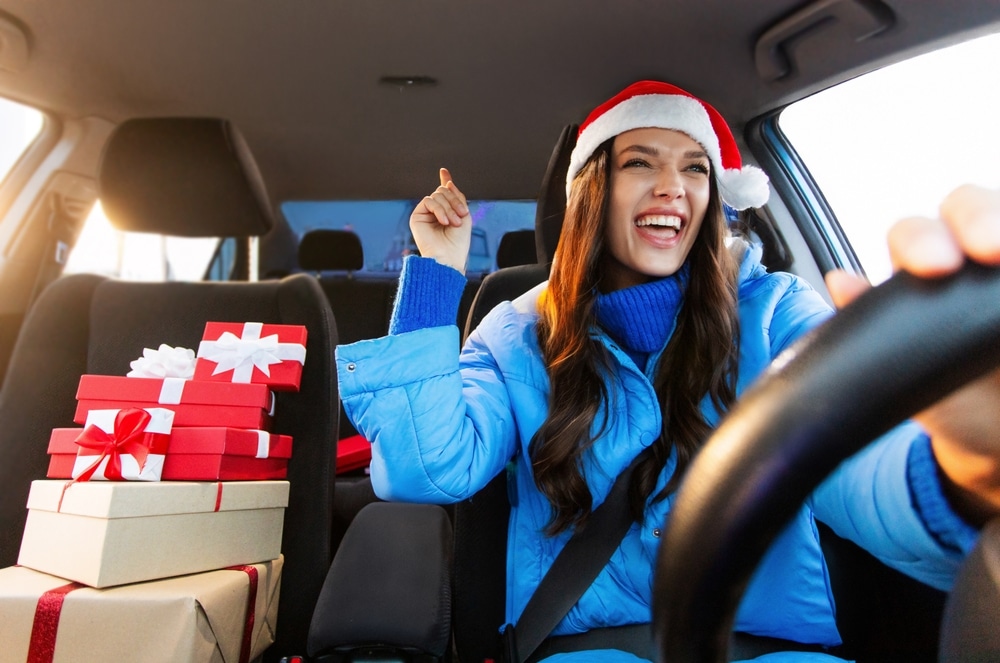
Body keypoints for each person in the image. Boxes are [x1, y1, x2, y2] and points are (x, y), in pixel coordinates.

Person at [335, 80, 1000, 662]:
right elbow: (425, 469)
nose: (671, 186)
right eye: (639, 163)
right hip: (584, 651)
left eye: (695, 168)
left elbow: (859, 470)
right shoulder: (516, 332)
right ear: (594, 190)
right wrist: (436, 275)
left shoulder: (775, 313)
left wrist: (959, 472)